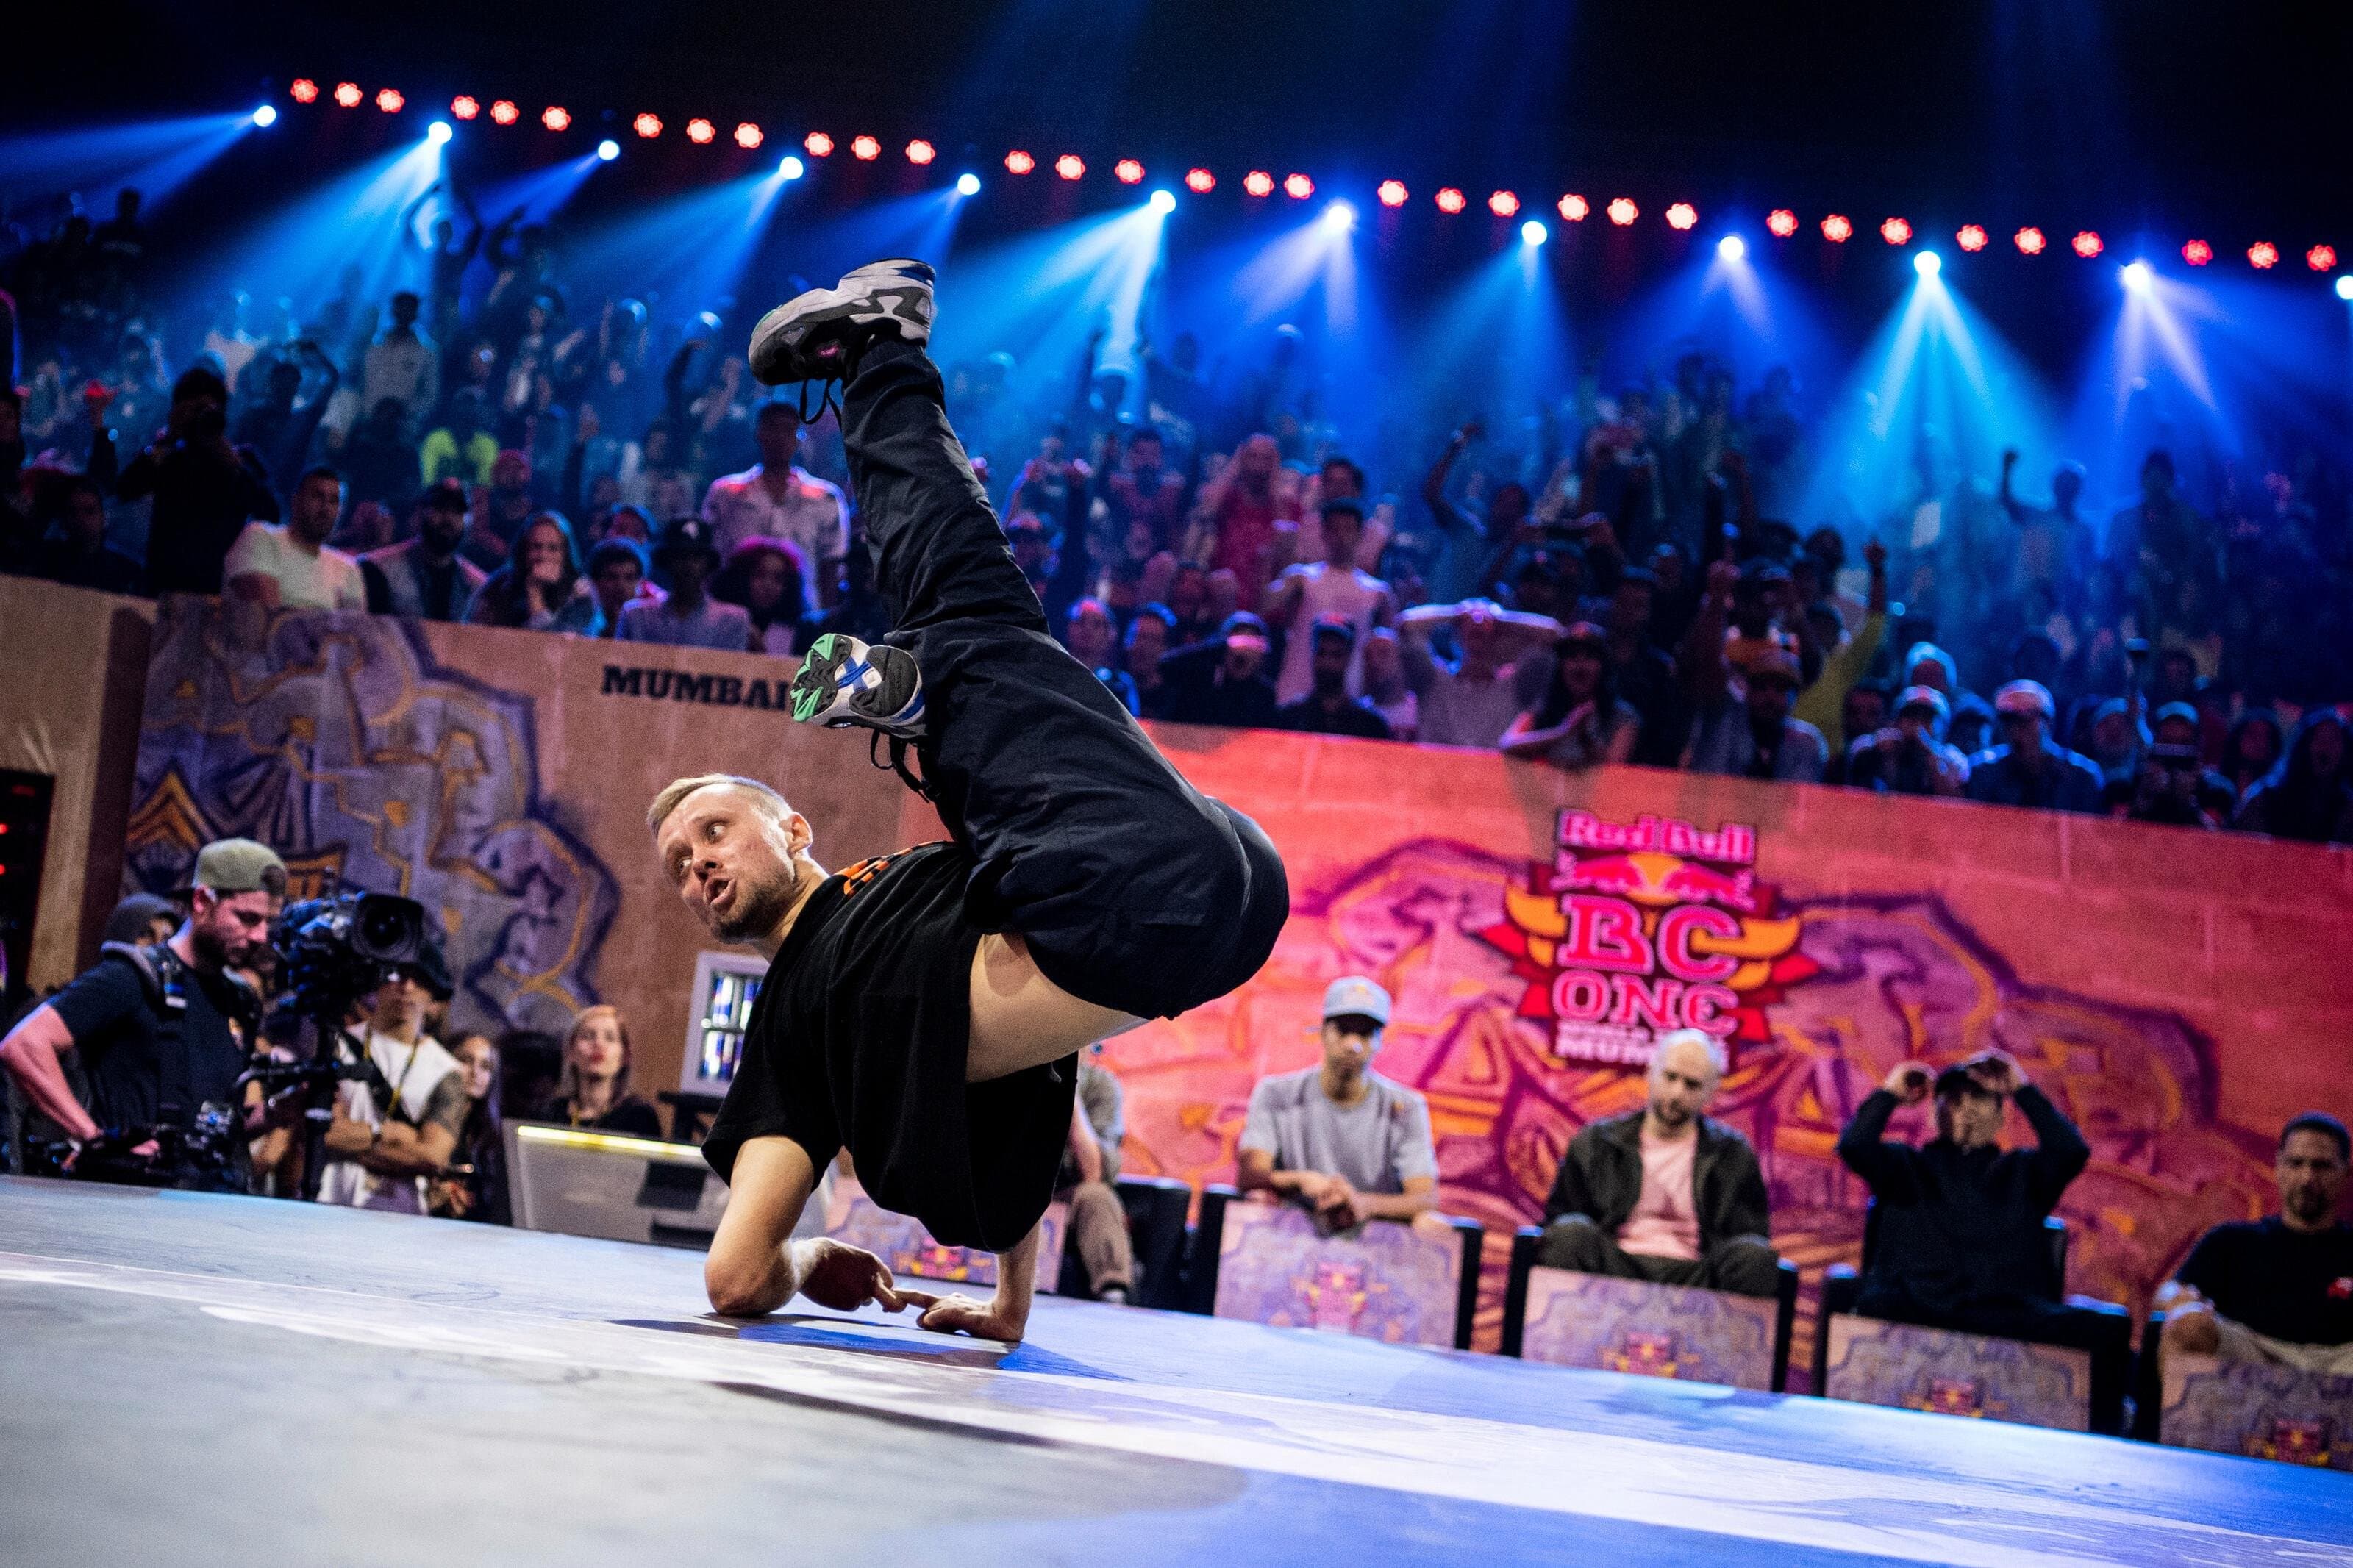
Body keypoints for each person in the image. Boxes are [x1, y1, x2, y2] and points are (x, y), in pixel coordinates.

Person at [650, 259, 1286, 1342]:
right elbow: (734, 1274)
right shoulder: (788, 1039)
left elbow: (1030, 1055)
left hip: (1202, 867)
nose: (696, 860)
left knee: (978, 622)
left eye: (713, 829)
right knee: (971, 626)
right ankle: (923, 668)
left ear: (794, 828)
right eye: (679, 864)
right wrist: (812, 1258)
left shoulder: (895, 880)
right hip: (1146, 907)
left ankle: (925, 674)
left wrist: (1010, 1302)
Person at [0, 840, 290, 1186]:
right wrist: (95, 1138)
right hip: (130, 1199)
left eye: (268, 922)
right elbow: (24, 1045)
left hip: (207, 1204)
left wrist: (279, 1112)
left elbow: (218, 1129)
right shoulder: (133, 976)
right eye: (247, 918)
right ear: (202, 901)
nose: (260, 936)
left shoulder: (240, 1001)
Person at [1835, 1050, 2090, 1341]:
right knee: (1869, 1301)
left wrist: (2021, 1089)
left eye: (1980, 1098)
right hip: (1914, 1310)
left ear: (2000, 1118)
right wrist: (1890, 1093)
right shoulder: (1905, 1166)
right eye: (1955, 1100)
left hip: (2004, 1318)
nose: (1967, 1108)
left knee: (2100, 1327)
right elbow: (1855, 1146)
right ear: (1933, 1116)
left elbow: (2071, 1152)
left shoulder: (2023, 1172)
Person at [1534, 1030, 1780, 1297]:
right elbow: (1559, 1218)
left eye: (1692, 1085)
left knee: (1754, 1258)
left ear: (1711, 1092)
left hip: (1696, 1278)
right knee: (1568, 1235)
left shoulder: (1732, 1154)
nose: (1676, 1093)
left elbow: (1749, 1236)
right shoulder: (1598, 1142)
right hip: (1613, 1266)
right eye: (1670, 1077)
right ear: (1651, 1072)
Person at [2158, 1114, 2352, 1375]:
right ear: (2279, 1167)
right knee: (2186, 1325)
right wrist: (2181, 1301)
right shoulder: (2231, 1240)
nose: (2307, 1178)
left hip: (2341, 1365)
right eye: (2296, 1163)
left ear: (2345, 1173)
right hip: (2251, 1356)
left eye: (2322, 1166)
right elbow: (2169, 1291)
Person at [1236, 978, 1437, 1229]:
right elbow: (1250, 1176)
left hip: (1373, 1230)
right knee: (1255, 1203)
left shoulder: (1406, 1107)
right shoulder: (1276, 1094)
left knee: (1431, 1225)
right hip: (1294, 1225)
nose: (1353, 1045)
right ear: (1323, 1031)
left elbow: (1425, 1198)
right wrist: (1302, 1180)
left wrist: (1361, 1203)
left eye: (1365, 1034)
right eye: (1343, 1030)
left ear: (1380, 1041)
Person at [104, 365, 279, 597]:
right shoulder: (168, 458)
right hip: (164, 588)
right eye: (194, 410)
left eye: (208, 411)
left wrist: (233, 463)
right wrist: (169, 438)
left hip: (218, 593)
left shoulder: (242, 460)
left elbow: (272, 514)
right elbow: (124, 490)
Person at [316, 957, 466, 1213]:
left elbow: (433, 1157)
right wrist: (387, 1135)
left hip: (402, 1213)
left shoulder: (447, 1070)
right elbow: (325, 1134)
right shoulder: (337, 1046)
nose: (407, 988)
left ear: (432, 993)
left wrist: (352, 1142)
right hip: (330, 1197)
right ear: (378, 981)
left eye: (419, 980)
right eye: (397, 975)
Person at [701, 401, 850, 604]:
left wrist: (826, 615)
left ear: (799, 438)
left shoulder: (825, 497)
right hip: (736, 608)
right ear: (759, 433)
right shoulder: (726, 492)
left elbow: (831, 565)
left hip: (802, 610)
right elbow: (709, 558)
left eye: (788, 430)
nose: (780, 437)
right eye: (772, 428)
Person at [1265, 497, 1394, 706]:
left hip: (1349, 700)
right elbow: (1263, 606)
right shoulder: (1301, 578)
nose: (1341, 536)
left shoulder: (1378, 592)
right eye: (1334, 529)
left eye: (1348, 529)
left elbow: (1388, 650)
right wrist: (1275, 555)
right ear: (1324, 534)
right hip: (1295, 694)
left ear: (1361, 534)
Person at [1396, 597, 1561, 749]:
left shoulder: (1514, 687)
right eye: (1467, 626)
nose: (1477, 622)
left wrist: (1500, 618)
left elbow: (1554, 634)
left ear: (1499, 637)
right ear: (1457, 635)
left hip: (1491, 771)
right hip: (1435, 770)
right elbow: (1405, 624)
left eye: (1486, 629)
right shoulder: (1433, 680)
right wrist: (1457, 613)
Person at [221, 465, 365, 613]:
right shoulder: (261, 537)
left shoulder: (348, 569)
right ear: (296, 500)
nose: (325, 508)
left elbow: (354, 626)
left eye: (334, 501)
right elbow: (269, 616)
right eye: (317, 496)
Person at [1501, 621, 1640, 770]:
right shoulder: (1546, 707)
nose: (1580, 664)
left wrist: (1585, 737)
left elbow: (1614, 769)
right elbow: (1507, 744)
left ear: (1604, 666)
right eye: (1572, 655)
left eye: (1590, 656)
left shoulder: (1623, 716)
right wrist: (1563, 732)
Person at [1059, 1050, 1136, 1303]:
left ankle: (1112, 1291)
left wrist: (1071, 1095)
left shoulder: (1100, 1086)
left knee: (1097, 1196)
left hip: (1061, 1199)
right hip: (1008, 1189)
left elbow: (1094, 1172)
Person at [1685, 645, 1828, 781]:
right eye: (1761, 687)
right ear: (1747, 690)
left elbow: (1799, 794)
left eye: (1780, 689)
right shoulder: (1723, 724)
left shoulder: (1807, 743)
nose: (1770, 697)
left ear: (1795, 695)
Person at [1964, 680, 2106, 813]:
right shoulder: (1983, 771)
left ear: (2048, 723)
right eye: (2009, 719)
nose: (2018, 728)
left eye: (2028, 718)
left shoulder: (2082, 776)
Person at [619, 517, 754, 651]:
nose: (688, 565)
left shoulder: (733, 621)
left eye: (696, 556)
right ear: (667, 562)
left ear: (709, 563)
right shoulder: (636, 617)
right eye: (681, 556)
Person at [360, 478, 484, 621]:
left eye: (458, 511)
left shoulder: (478, 586)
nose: (449, 518)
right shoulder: (377, 569)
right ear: (419, 513)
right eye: (440, 507)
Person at [538, 1004, 663, 1136]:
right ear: (571, 1052)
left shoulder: (640, 1117)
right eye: (587, 1036)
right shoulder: (549, 1113)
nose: (598, 1044)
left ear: (625, 1056)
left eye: (610, 1038)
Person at [2233, 710, 2353, 844]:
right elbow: (2244, 843)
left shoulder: (2348, 807)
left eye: (2334, 739)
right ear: (2304, 745)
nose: (2326, 746)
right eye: (2319, 738)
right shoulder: (2266, 797)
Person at [468, 512, 596, 632]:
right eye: (536, 547)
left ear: (566, 554)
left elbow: (554, 644)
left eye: (553, 548)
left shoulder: (580, 592)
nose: (543, 555)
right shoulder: (500, 586)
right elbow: (474, 631)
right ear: (524, 550)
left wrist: (535, 591)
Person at [429, 1032, 510, 1223]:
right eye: (466, 1061)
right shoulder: (425, 1120)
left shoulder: (496, 1137)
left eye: (485, 1066)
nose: (475, 1072)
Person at [1159, 610, 1281, 728]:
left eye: (1251, 647)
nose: (1242, 652)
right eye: (1237, 643)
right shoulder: (1201, 678)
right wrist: (1221, 644)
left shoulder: (1264, 694)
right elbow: (1166, 664)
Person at [1274, 617, 1391, 739]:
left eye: (1337, 654)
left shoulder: (1371, 726)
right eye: (1322, 653)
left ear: (1349, 657)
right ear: (1313, 655)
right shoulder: (1288, 719)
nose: (1328, 662)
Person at [1846, 685, 1971, 796]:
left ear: (1944, 726)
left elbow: (1954, 802)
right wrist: (1883, 755)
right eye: (1911, 716)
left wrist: (1929, 752)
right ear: (1896, 720)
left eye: (1927, 718)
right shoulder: (1874, 744)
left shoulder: (1953, 758)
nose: (1918, 725)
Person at [712, 536, 822, 656]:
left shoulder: (799, 632)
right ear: (741, 578)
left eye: (778, 579)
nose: (768, 585)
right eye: (760, 574)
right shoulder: (719, 620)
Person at [1061, 595, 1140, 715]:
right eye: (1081, 621)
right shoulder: (1050, 671)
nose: (1087, 628)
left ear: (1110, 634)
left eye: (1097, 624)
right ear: (1067, 628)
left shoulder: (1121, 684)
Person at [584, 538, 651, 639]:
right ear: (596, 583)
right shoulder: (582, 628)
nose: (621, 586)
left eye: (629, 578)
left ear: (640, 584)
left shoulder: (651, 632)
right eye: (612, 577)